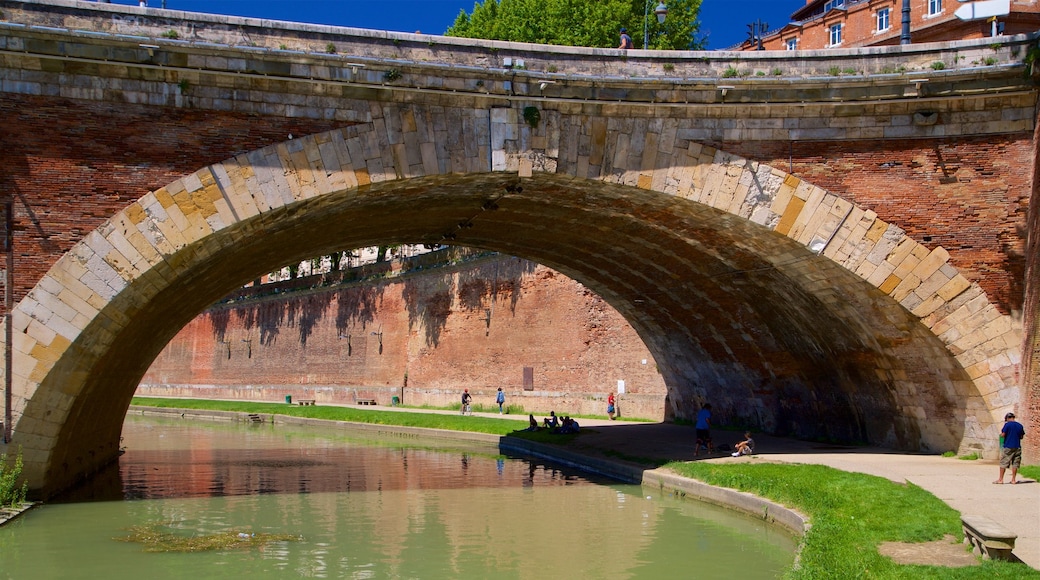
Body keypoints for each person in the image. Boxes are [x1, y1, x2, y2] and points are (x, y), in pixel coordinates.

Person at [995, 412, 1025, 484]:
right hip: (1017, 446)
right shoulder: (1020, 425)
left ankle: (1000, 479)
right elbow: (1021, 436)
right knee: (1015, 463)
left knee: (1003, 462)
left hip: (1008, 446)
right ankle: (1013, 480)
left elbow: (1003, 434)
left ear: (1007, 418)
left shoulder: (1007, 425)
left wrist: (1001, 436)